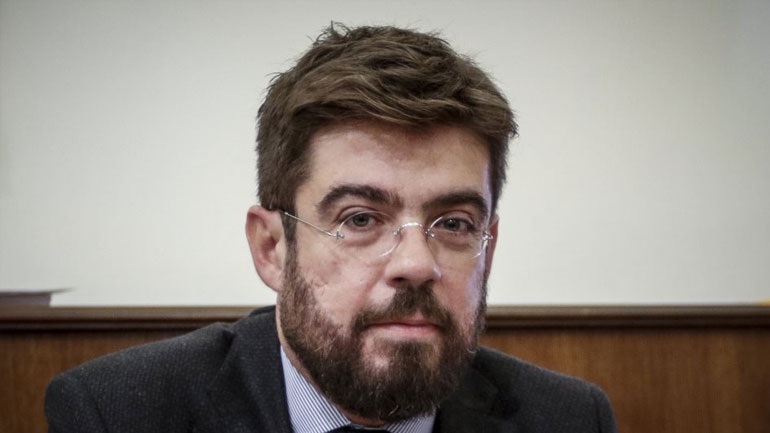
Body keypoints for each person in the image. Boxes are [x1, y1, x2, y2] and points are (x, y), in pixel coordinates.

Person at [45, 24, 617, 433]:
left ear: (488, 251)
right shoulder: (118, 413)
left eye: (453, 223)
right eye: (360, 219)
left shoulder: (568, 419)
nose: (417, 264)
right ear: (272, 248)